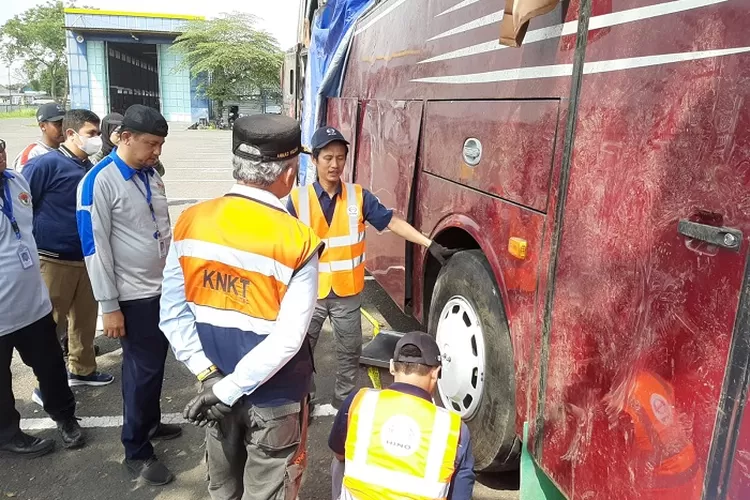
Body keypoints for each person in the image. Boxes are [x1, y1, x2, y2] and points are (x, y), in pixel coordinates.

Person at [160, 114, 323, 500]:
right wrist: (228, 389)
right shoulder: (298, 240)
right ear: (289, 171)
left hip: (213, 391)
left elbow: (172, 311)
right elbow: (288, 340)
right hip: (274, 397)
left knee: (223, 488)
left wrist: (210, 378)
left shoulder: (190, 220)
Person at [288, 126, 457, 407]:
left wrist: (429, 244)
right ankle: (304, 398)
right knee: (300, 351)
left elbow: (391, 221)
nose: (334, 164)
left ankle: (343, 403)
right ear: (314, 160)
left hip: (347, 295)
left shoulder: (358, 197)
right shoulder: (297, 201)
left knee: (350, 353)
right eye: (327, 157)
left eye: (340, 157)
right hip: (309, 294)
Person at [76, 104, 181, 485]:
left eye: (160, 144)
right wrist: (109, 307)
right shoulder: (98, 181)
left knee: (155, 365)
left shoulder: (151, 174)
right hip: (131, 297)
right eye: (150, 143)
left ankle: (150, 423)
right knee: (140, 371)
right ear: (123, 137)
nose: (156, 152)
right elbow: (94, 247)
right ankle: (136, 449)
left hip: (161, 290)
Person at [0, 136, 85, 457]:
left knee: (50, 366)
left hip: (32, 303)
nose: (0, 155)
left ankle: (65, 418)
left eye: (0, 146)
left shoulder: (16, 180)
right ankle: (8, 434)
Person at [22, 109, 114, 391]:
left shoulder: (90, 168)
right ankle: (47, 385)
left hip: (85, 258)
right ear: (71, 134)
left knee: (85, 321)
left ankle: (82, 369)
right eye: (91, 134)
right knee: (51, 325)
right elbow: (25, 204)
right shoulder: (45, 165)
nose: (97, 139)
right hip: (53, 260)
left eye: (98, 133)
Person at [328, 331, 475, 500]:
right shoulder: (454, 429)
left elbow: (339, 454)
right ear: (435, 373)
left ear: (391, 367)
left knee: (340, 461)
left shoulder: (360, 401)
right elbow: (461, 495)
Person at [91, 112, 165, 176]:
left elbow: (160, 172)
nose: (121, 135)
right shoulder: (98, 158)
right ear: (107, 132)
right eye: (117, 132)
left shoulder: (133, 152)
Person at [12, 102, 66, 172]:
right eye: (58, 124)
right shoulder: (33, 154)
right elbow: (23, 181)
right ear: (42, 126)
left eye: (65, 123)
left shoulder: (65, 151)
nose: (63, 128)